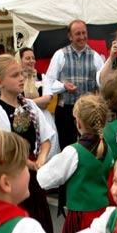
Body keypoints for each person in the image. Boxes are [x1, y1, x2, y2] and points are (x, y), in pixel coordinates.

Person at [0, 54, 55, 233]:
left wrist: (40, 159)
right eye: (15, 75)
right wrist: (29, 164)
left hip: (33, 176)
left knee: (42, 228)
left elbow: (46, 138)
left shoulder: (30, 105)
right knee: (21, 231)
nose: (22, 78)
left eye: (21, 73)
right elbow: (5, 150)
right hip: (12, 178)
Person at [37, 94, 113, 233]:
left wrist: (40, 163)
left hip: (80, 218)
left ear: (78, 123)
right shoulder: (108, 148)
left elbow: (44, 179)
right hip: (103, 215)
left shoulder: (73, 152)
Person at [45, 19, 104, 150]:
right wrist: (63, 86)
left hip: (88, 112)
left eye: (84, 33)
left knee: (90, 148)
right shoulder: (60, 55)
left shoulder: (95, 57)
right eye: (78, 34)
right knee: (67, 148)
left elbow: (102, 83)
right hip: (65, 111)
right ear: (70, 36)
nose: (82, 37)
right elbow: (48, 82)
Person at [19, 46, 60, 158]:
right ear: (20, 60)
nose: (31, 61)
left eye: (33, 58)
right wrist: (37, 101)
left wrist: (23, 102)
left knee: (48, 153)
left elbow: (47, 100)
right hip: (24, 119)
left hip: (44, 119)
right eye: (27, 58)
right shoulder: (17, 79)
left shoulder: (42, 77)